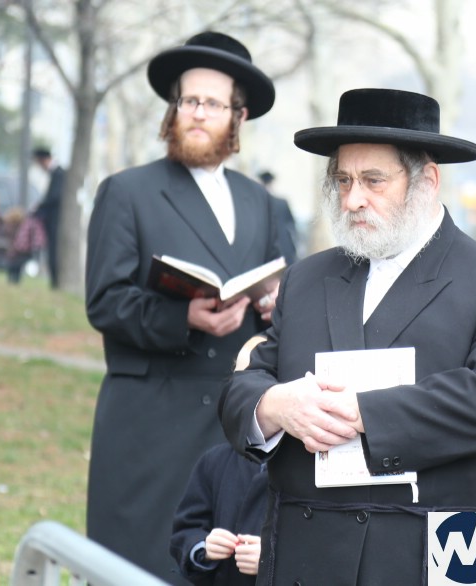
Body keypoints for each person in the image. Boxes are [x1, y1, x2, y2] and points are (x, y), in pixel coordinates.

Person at [219, 88, 476, 585]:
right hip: (307, 553)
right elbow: (250, 380)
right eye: (343, 180)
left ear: (427, 181)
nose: (353, 199)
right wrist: (275, 406)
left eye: (373, 180)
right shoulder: (307, 278)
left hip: (432, 554)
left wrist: (362, 412)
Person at [84, 31, 280, 583]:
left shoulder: (262, 203)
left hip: (230, 424)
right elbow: (104, 301)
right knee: (136, 566)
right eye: (188, 100)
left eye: (212, 103)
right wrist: (183, 317)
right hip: (149, 422)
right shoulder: (127, 191)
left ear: (239, 116)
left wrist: (273, 305)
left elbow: (279, 287)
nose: (197, 113)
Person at [170, 442, 267, 586]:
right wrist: (203, 546)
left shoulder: (305, 471)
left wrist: (276, 563)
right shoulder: (217, 459)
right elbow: (186, 530)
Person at [32, 147, 64, 289]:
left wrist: (40, 207)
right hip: (51, 220)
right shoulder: (55, 174)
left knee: (54, 250)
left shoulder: (59, 174)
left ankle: (55, 282)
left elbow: (54, 197)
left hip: (55, 221)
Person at [258, 170, 299, 265]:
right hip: (285, 246)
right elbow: (292, 225)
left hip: (267, 247)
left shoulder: (260, 204)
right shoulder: (282, 202)